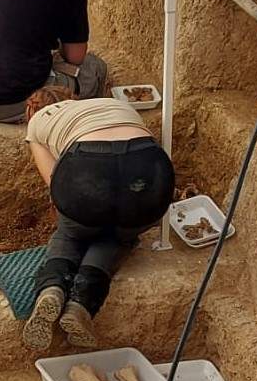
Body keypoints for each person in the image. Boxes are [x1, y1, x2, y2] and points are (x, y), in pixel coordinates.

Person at [21, 87, 175, 350]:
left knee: (72, 231)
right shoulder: (111, 105)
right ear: (73, 100)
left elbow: (55, 188)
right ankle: (82, 303)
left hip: (89, 162)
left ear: (32, 110)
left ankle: (52, 287)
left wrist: (79, 218)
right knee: (118, 232)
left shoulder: (38, 122)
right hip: (150, 173)